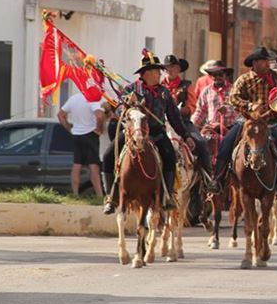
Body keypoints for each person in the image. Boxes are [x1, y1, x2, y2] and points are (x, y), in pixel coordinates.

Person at [101, 50, 190, 214]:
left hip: (156, 132)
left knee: (170, 156)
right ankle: (110, 197)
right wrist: (129, 104)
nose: (159, 74)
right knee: (107, 156)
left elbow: (174, 117)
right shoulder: (130, 89)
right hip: (134, 131)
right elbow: (120, 111)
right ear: (146, 73)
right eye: (156, 71)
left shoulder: (164, 92)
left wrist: (185, 135)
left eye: (159, 71)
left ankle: (166, 197)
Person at [213, 46, 277, 195]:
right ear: (254, 63)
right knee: (225, 145)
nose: (268, 64)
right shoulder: (243, 79)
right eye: (264, 61)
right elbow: (233, 98)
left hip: (271, 121)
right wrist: (250, 105)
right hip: (247, 122)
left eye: (268, 61)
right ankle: (217, 179)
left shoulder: (275, 77)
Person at [163, 54, 212, 185]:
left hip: (182, 122)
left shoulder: (186, 85)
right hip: (163, 123)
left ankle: (208, 177)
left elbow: (192, 106)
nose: (171, 70)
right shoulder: (160, 87)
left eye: (174, 67)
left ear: (179, 69)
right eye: (168, 68)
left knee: (200, 142)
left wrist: (180, 111)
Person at [58, 90, 105, 198]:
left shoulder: (73, 98)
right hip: (90, 134)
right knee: (94, 166)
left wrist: (70, 129)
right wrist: (99, 128)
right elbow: (99, 115)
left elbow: (60, 115)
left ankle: (75, 194)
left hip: (76, 134)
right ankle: (100, 195)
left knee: (77, 165)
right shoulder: (92, 99)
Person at [190, 61, 239, 154]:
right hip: (212, 127)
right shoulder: (206, 91)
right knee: (200, 145)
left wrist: (227, 110)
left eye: (220, 74)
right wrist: (192, 125)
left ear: (225, 75)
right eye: (214, 75)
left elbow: (238, 109)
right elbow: (200, 111)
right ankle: (204, 166)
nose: (217, 77)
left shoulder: (234, 90)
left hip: (230, 127)